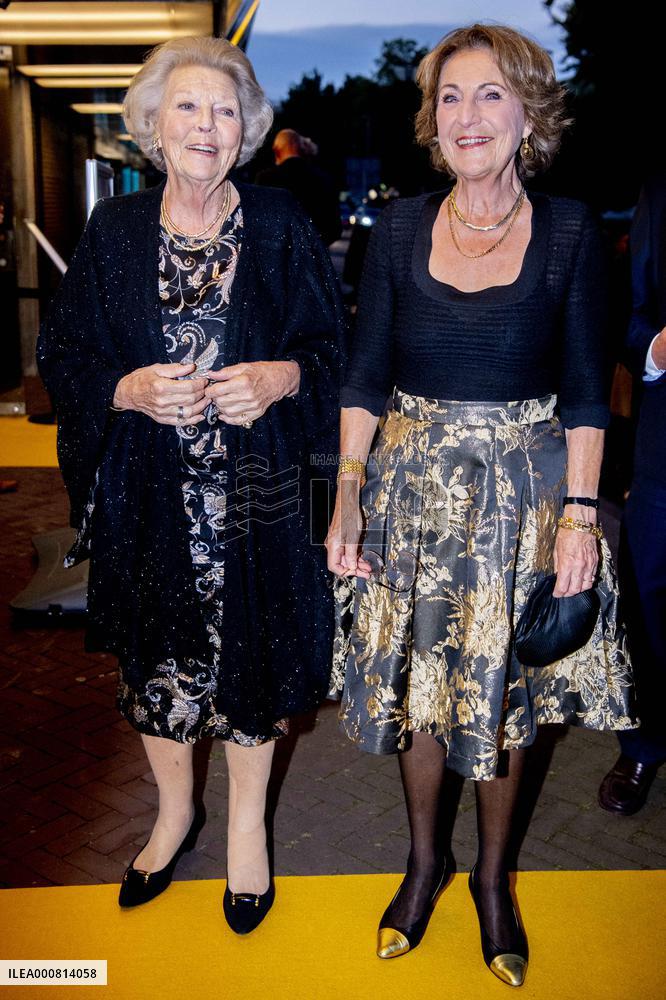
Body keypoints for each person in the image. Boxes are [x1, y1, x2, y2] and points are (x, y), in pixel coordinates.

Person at [327, 23, 635, 988]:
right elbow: (365, 375)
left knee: (505, 704)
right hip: (410, 498)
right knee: (423, 695)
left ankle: (493, 882)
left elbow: (591, 386)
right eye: (450, 96)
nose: (468, 116)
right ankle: (426, 865)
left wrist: (581, 514)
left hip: (524, 502)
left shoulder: (576, 230)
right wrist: (345, 494)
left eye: (491, 94)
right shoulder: (400, 230)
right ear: (433, 119)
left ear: (529, 114)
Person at [37, 36, 345, 933]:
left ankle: (248, 829)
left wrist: (279, 378)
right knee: (158, 667)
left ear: (247, 129)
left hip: (258, 502)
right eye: (188, 107)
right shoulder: (115, 231)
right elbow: (65, 354)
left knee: (251, 659)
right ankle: (175, 814)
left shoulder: (282, 223)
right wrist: (125, 389)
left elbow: (333, 353)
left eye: (224, 110)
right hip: (150, 497)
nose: (206, 125)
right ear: (153, 127)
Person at [599, 175, 666, 814]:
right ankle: (644, 743)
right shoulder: (661, 190)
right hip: (664, 446)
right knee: (648, 595)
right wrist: (656, 346)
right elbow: (634, 308)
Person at [256, 128, 342, 246]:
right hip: (314, 258)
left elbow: (257, 225)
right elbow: (334, 229)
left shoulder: (266, 179)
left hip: (276, 257)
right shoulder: (323, 178)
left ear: (277, 151)